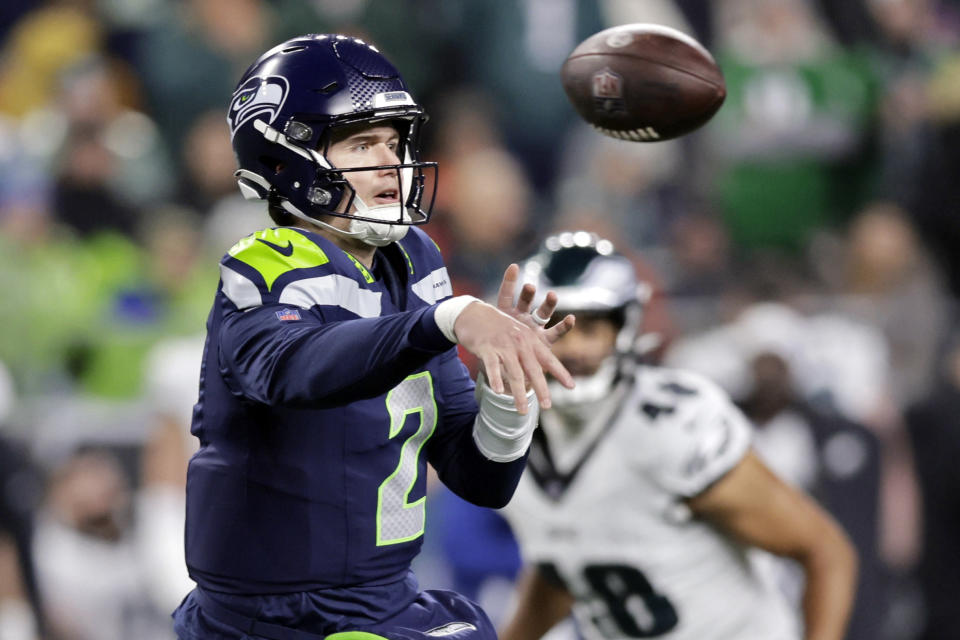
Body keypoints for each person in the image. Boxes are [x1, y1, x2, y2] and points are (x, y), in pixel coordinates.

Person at [172, 34, 576, 640]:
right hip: (273, 619)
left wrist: (504, 390)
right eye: (363, 144)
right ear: (288, 158)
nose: (392, 163)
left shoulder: (415, 261)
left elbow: (480, 478)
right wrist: (448, 319)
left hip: (383, 601)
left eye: (395, 143)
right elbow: (297, 371)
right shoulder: (265, 264)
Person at [498, 231, 858, 640]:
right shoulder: (511, 435)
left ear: (625, 328)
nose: (573, 348)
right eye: (555, 328)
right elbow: (563, 569)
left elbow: (824, 551)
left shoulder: (671, 425)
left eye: (591, 327)